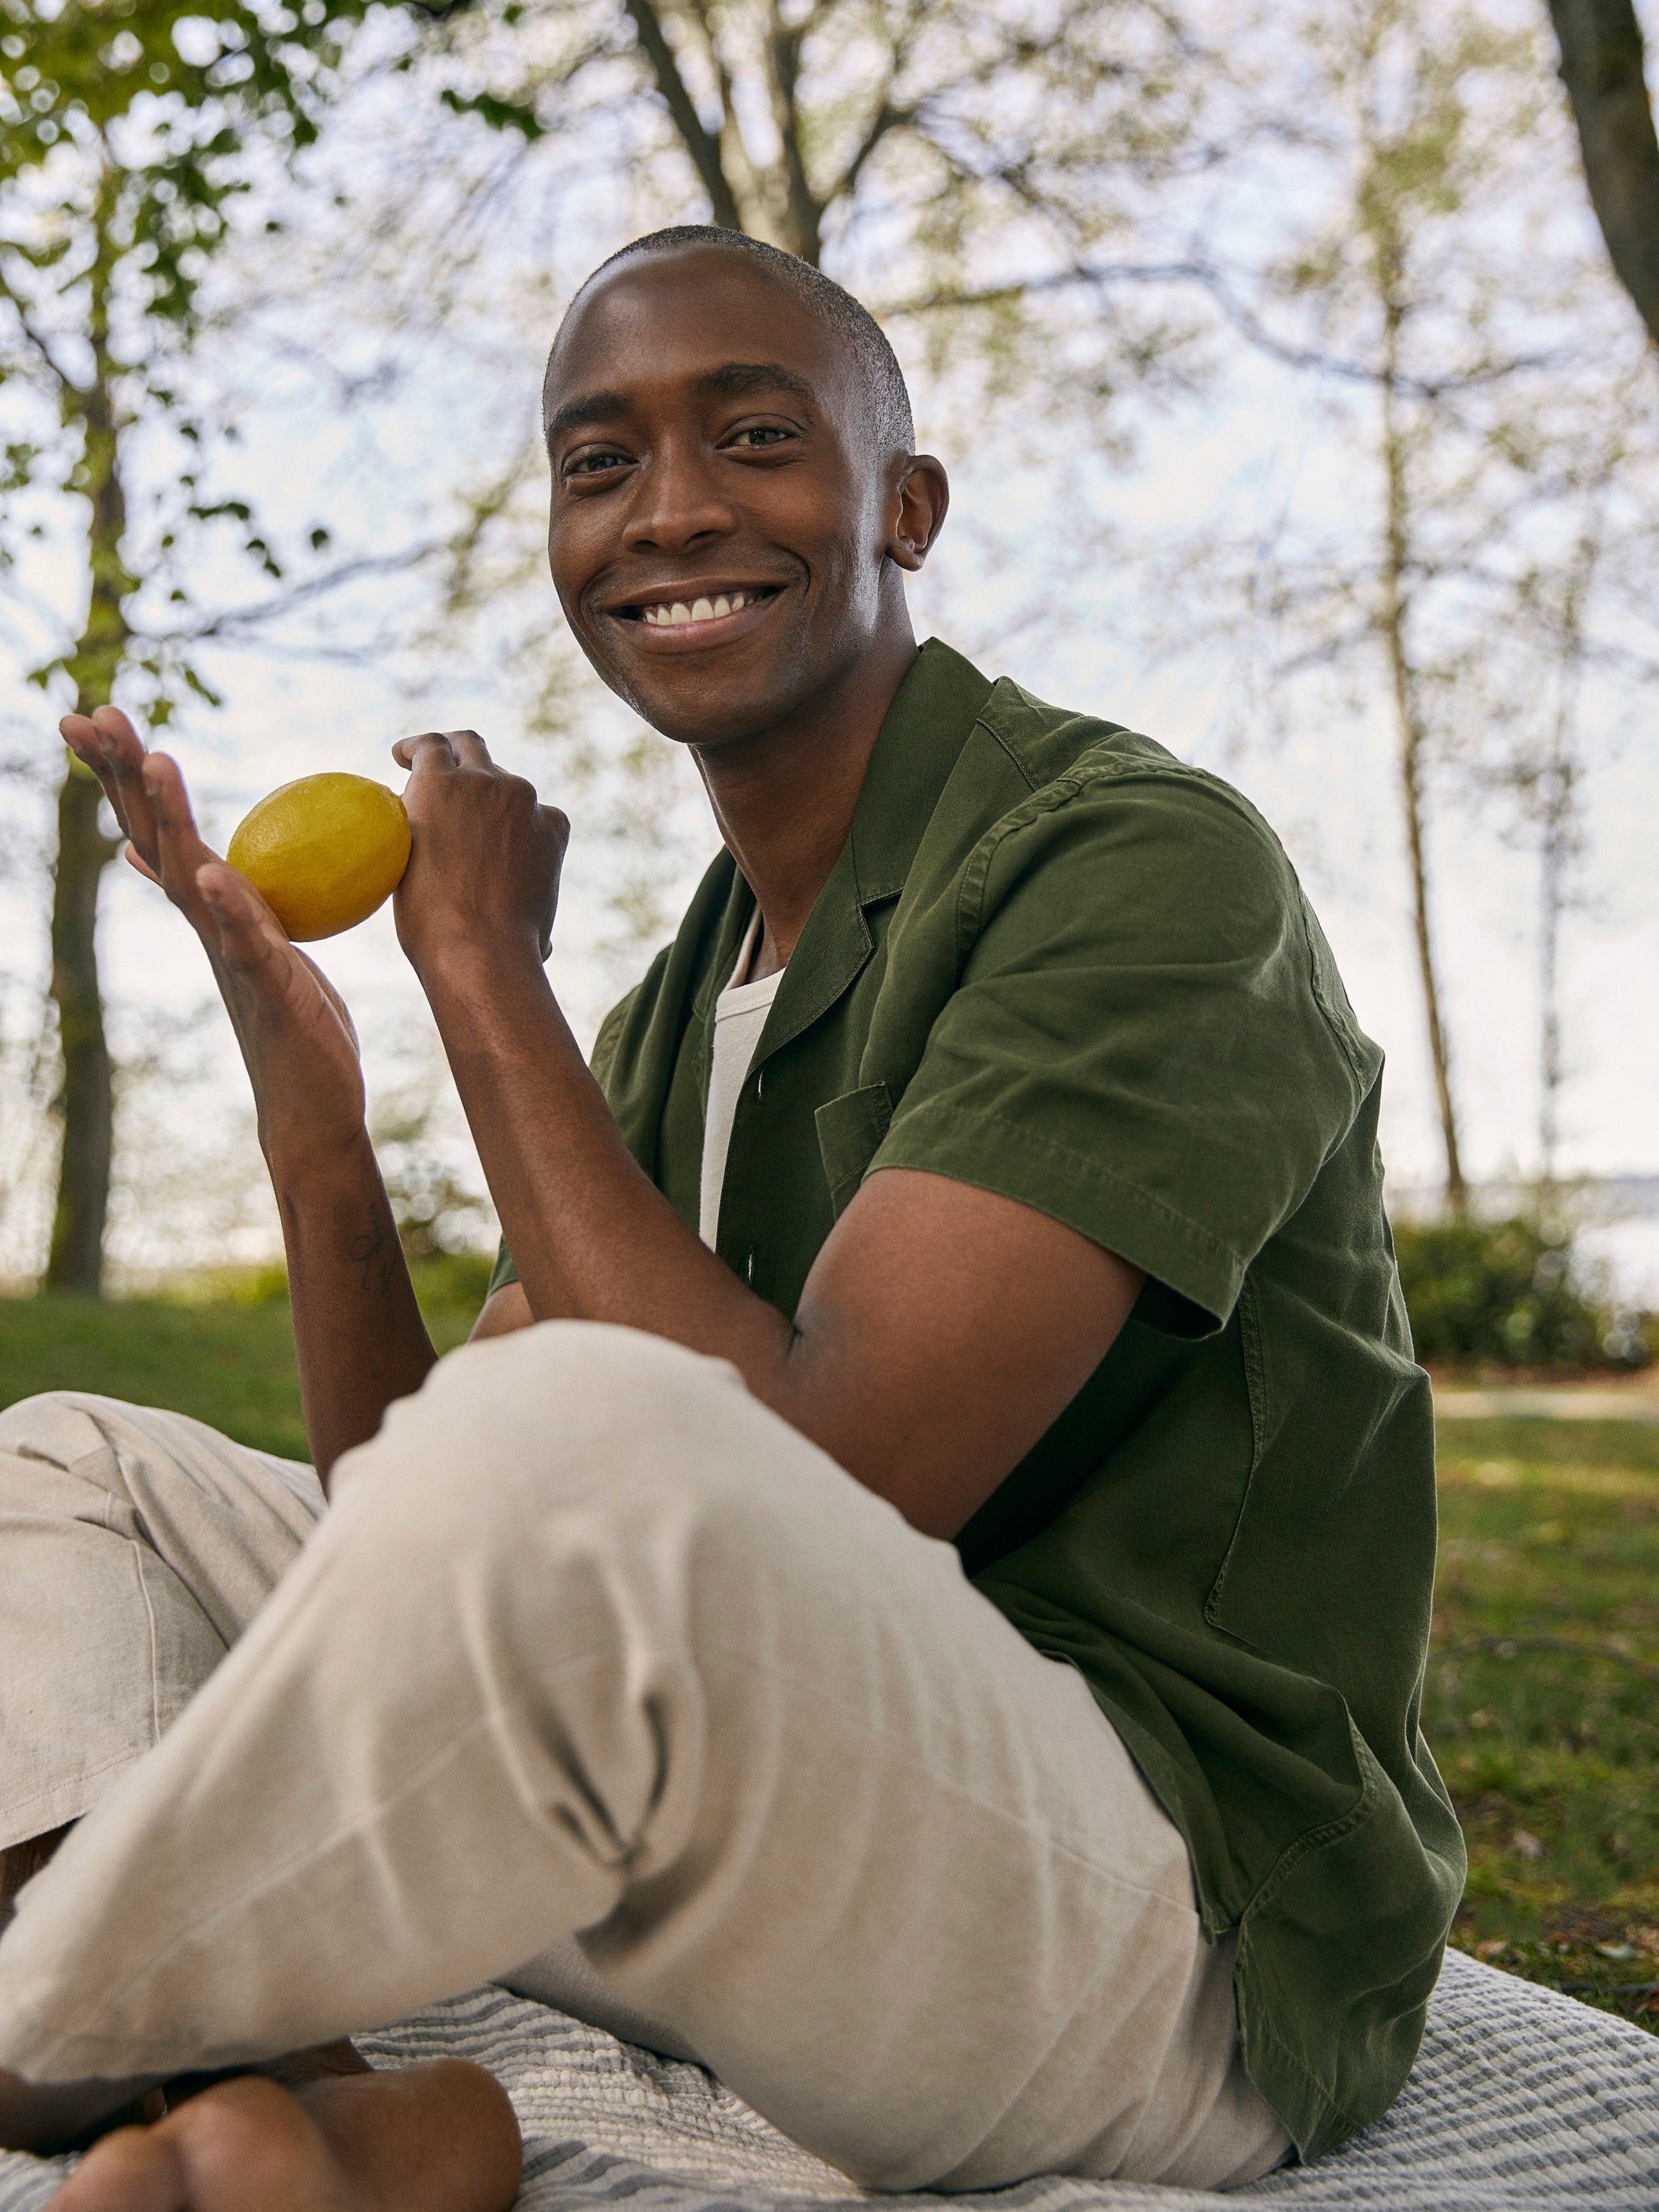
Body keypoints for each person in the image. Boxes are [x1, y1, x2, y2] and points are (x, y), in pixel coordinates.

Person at [0, 227, 1464, 2212]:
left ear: (905, 507)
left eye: (755, 435)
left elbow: (829, 1484)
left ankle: (45, 2021)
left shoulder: (1134, 865)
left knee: (590, 1436)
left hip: (1143, 1926)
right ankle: (294, 2084)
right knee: (72, 1462)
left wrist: (483, 983)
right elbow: (413, 1543)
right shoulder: (683, 1003)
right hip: (764, 1848)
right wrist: (316, 1106)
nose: (669, 508)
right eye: (597, 463)